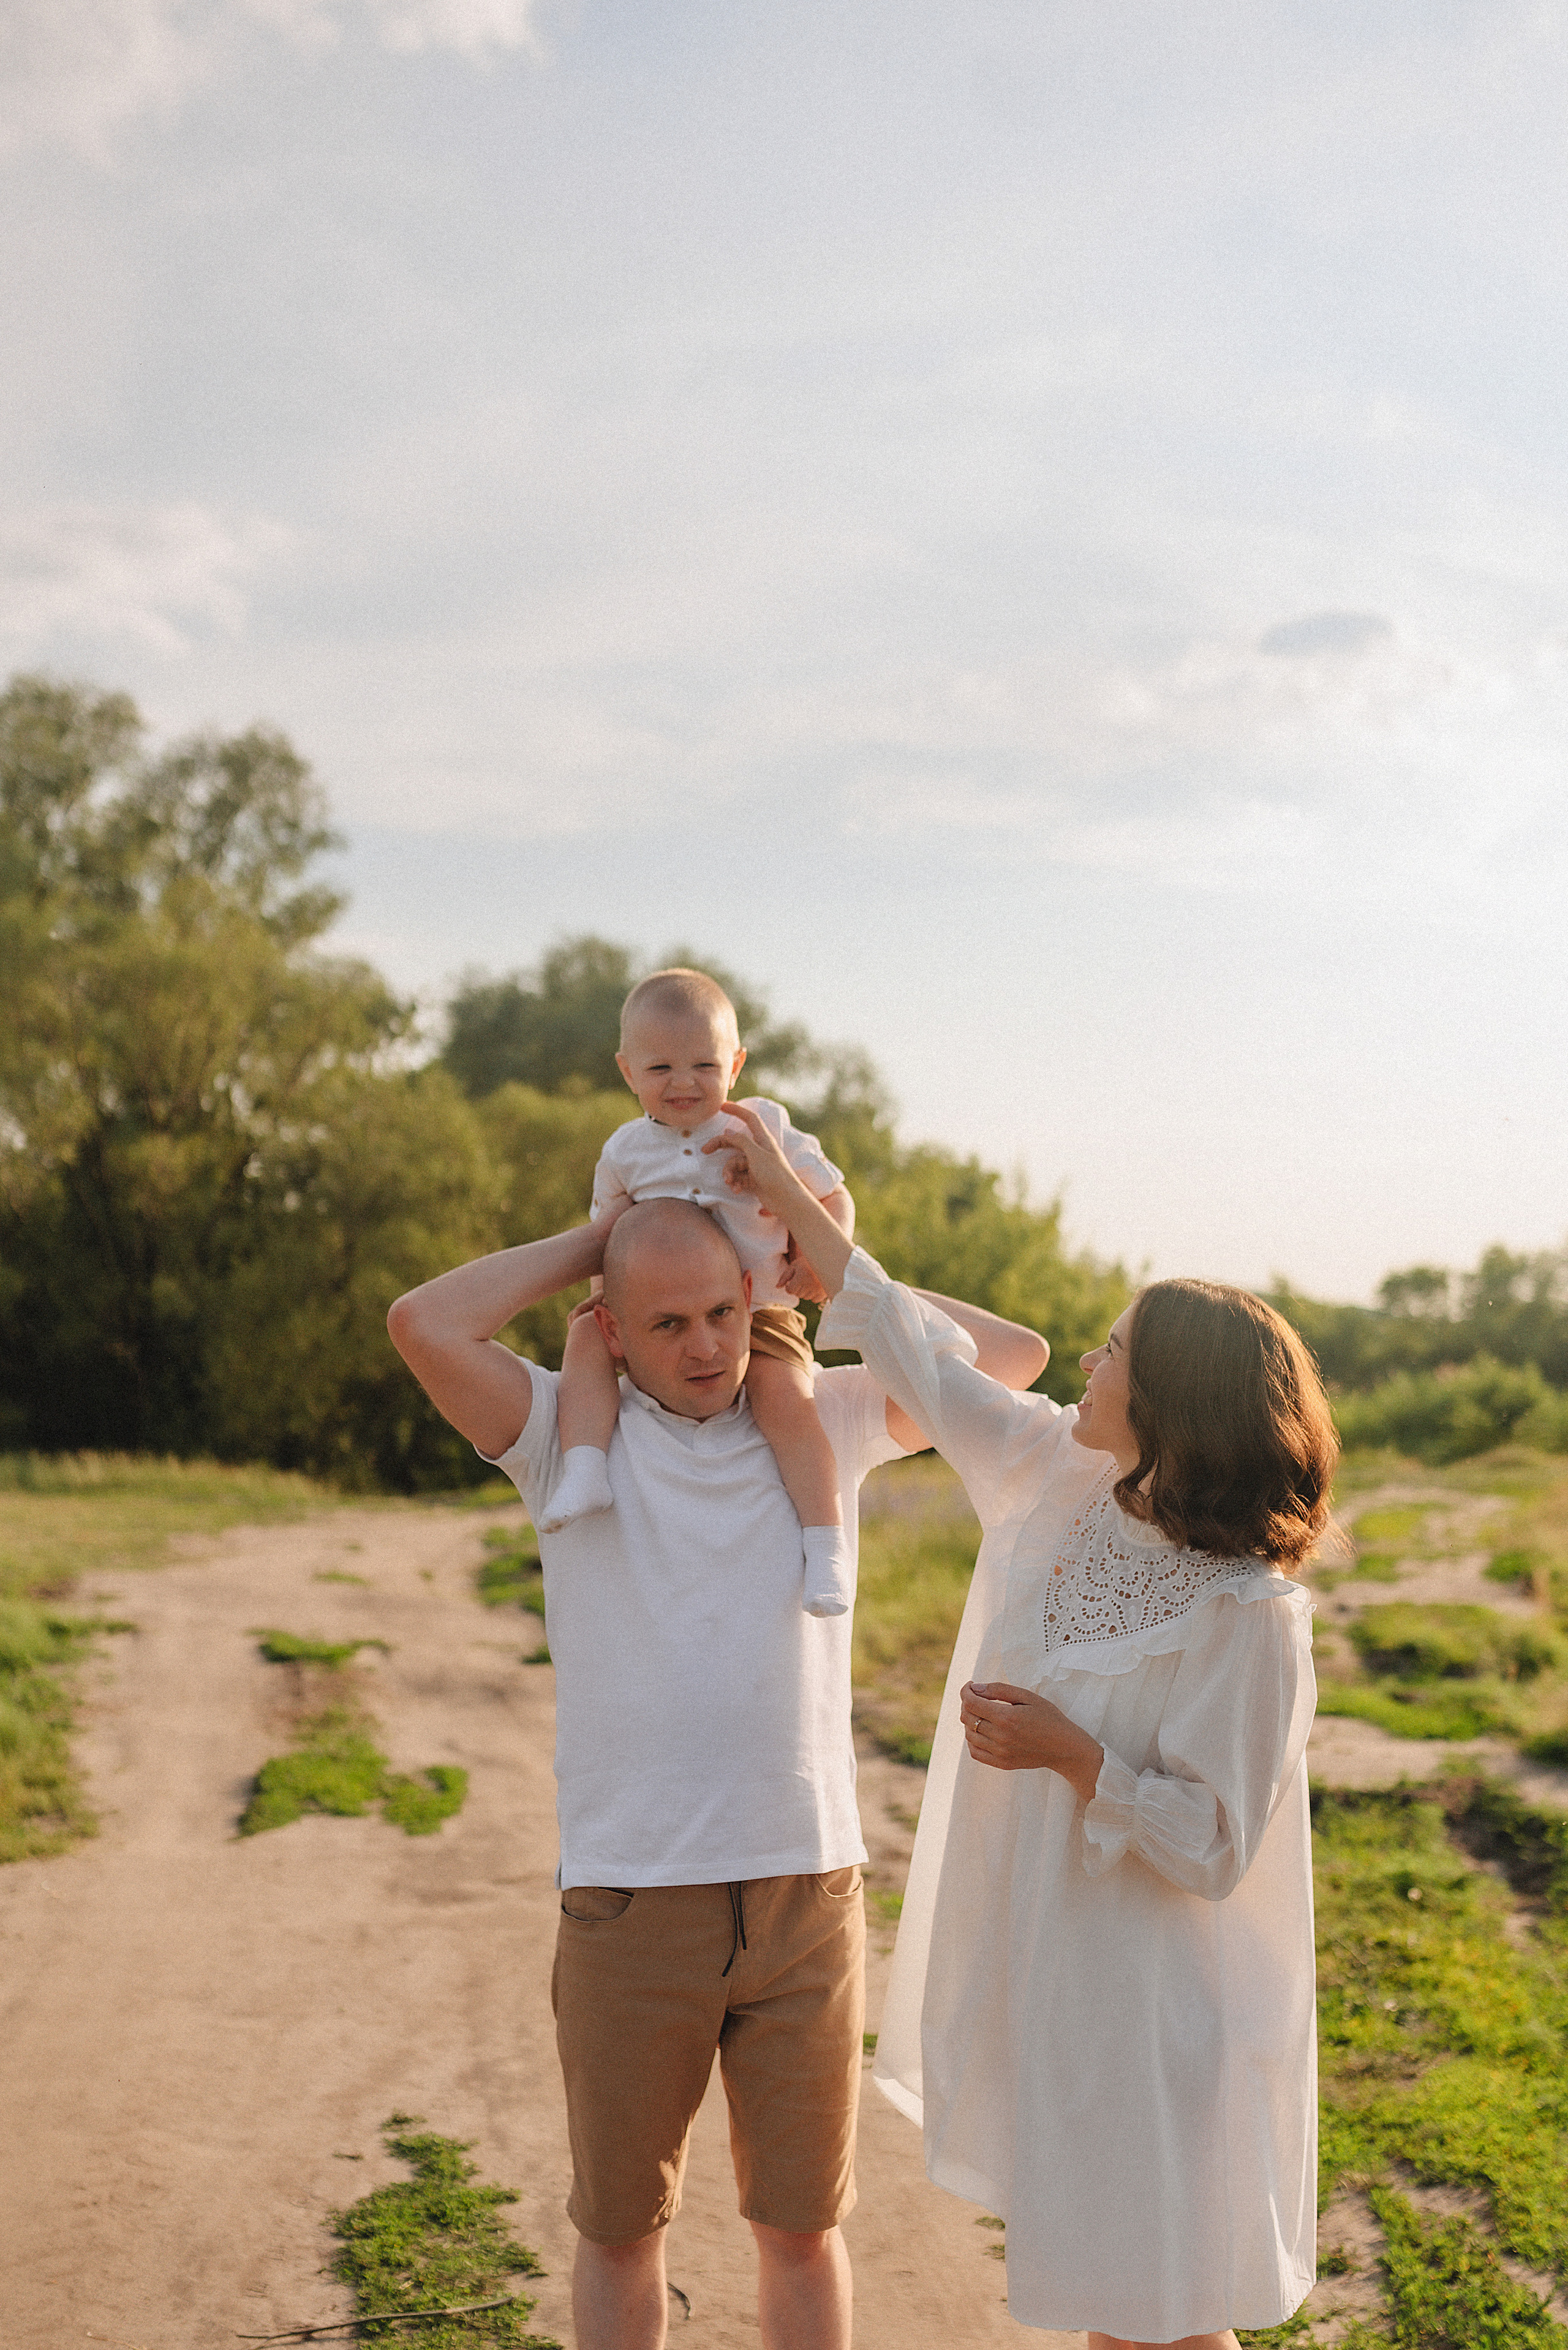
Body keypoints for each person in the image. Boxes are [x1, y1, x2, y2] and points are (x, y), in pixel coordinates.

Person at [710, 1101, 1333, 2350]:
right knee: (1115, 2309)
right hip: (1061, 1980)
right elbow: (912, 1346)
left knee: (1168, 2316)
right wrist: (786, 1190)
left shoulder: (1245, 1612)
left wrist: (1069, 1749)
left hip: (1164, 2008)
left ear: (1171, 1401)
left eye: (1110, 1354)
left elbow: (1213, 1845)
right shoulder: (1055, 1477)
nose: (1084, 1368)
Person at [386, 1192, 1049, 2350]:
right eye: (667, 1323)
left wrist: (812, 1262)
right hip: (633, 1899)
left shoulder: (825, 1420)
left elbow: (1013, 1355)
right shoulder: (562, 1441)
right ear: (609, 1327)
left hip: (809, 1891)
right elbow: (424, 1323)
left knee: (801, 2229)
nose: (704, 1347)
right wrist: (602, 1239)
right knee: (622, 2230)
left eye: (723, 1312)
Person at [541, 966, 859, 1621]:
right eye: (661, 1068)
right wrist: (606, 1301)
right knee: (583, 1340)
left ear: (736, 1063)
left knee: (790, 1407)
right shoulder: (625, 1150)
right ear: (628, 1072)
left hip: (762, 1309)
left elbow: (833, 1195)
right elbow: (608, 1235)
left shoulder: (761, 1124)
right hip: (659, 1313)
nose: (683, 1083)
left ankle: (826, 1544)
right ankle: (584, 1468)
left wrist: (817, 1260)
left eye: (703, 1065)